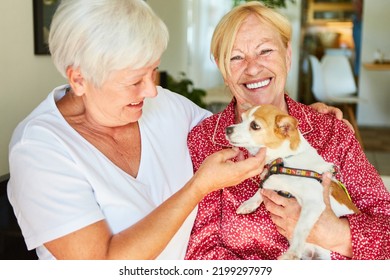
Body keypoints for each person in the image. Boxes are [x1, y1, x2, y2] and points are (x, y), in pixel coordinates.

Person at [7, 0, 350, 260]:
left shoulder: (163, 106)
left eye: (153, 71)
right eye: (134, 80)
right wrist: (198, 187)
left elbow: (236, 126)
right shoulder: (38, 150)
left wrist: (298, 118)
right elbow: (101, 266)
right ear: (79, 79)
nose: (152, 90)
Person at [185, 2, 390, 260]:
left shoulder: (332, 134)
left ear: (288, 55)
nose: (252, 67)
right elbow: (201, 252)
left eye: (265, 51)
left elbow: (386, 226)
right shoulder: (205, 141)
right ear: (222, 68)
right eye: (236, 57)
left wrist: (336, 234)